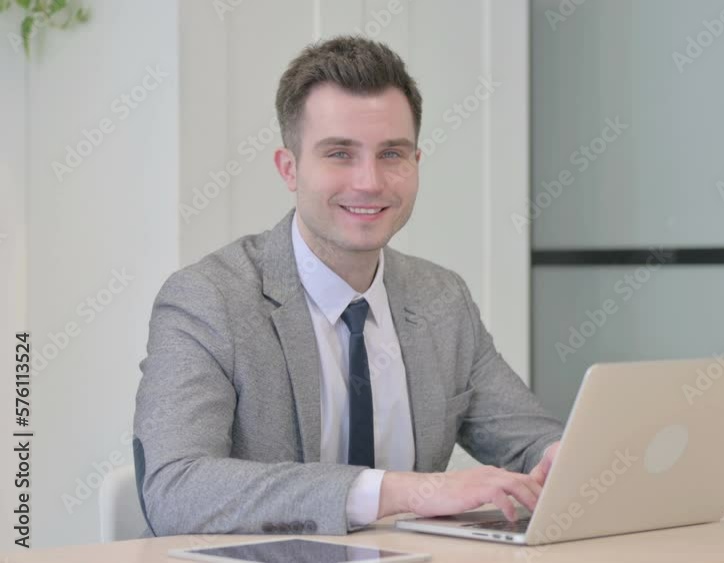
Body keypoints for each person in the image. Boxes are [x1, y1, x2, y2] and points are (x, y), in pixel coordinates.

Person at [132, 35, 563, 536]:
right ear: (289, 168)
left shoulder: (443, 299)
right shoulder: (207, 300)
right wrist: (402, 491)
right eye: (340, 153)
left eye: (391, 154)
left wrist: (563, 461)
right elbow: (176, 490)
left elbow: (531, 441)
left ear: (416, 165)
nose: (369, 182)